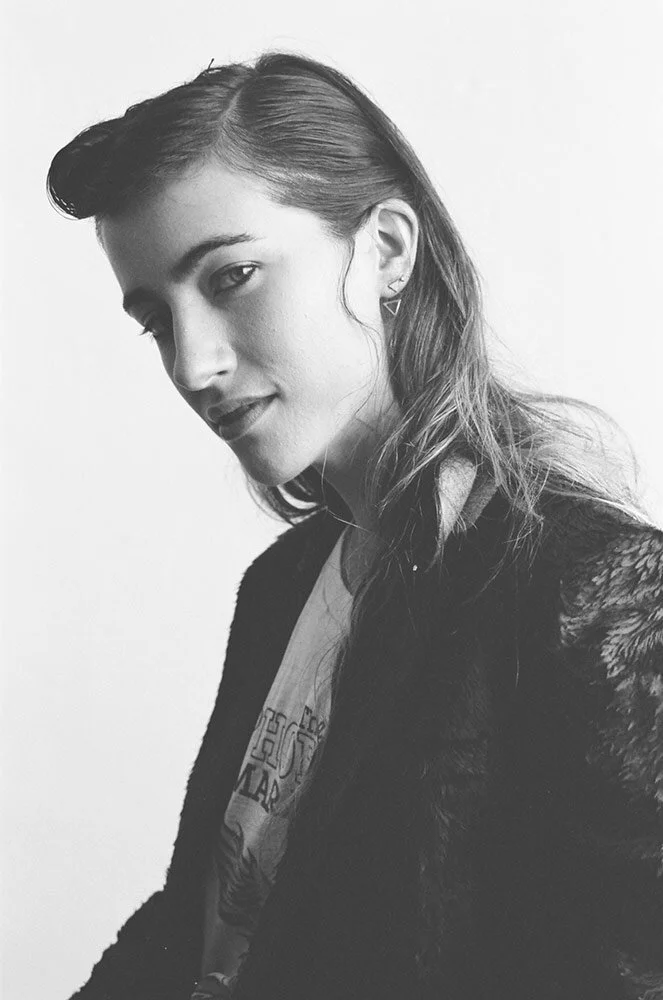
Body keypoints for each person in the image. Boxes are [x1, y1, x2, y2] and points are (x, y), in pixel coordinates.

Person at [47, 51, 663, 1000]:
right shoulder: (284, 583)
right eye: (157, 320)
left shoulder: (586, 590)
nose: (193, 365)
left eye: (231, 276)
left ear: (385, 250)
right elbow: (203, 916)